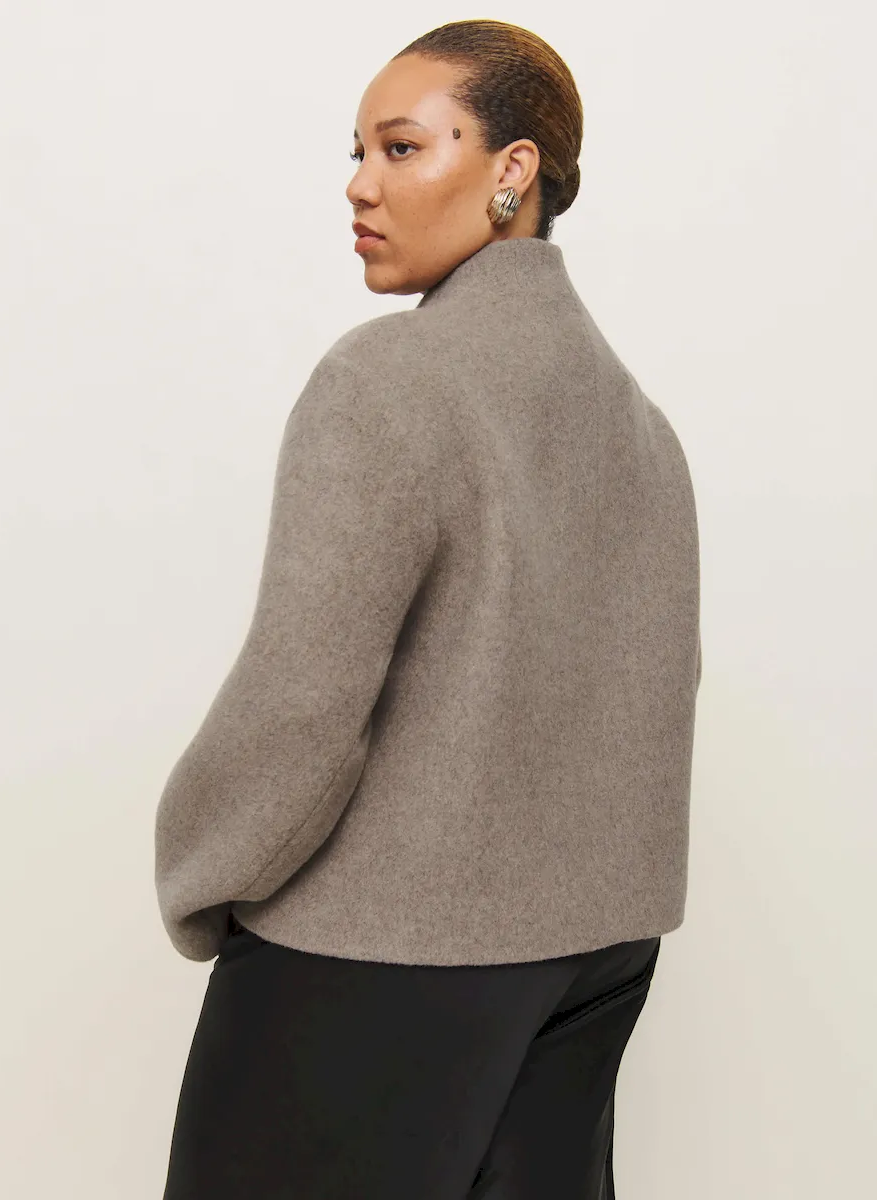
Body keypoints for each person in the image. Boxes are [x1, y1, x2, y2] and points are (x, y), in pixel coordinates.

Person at [155, 18, 702, 1200]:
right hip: (595, 955)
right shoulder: (640, 425)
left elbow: (301, 704)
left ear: (513, 169)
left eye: (402, 148)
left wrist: (199, 875)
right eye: (357, 153)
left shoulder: (387, 381)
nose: (361, 185)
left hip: (379, 959)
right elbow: (658, 685)